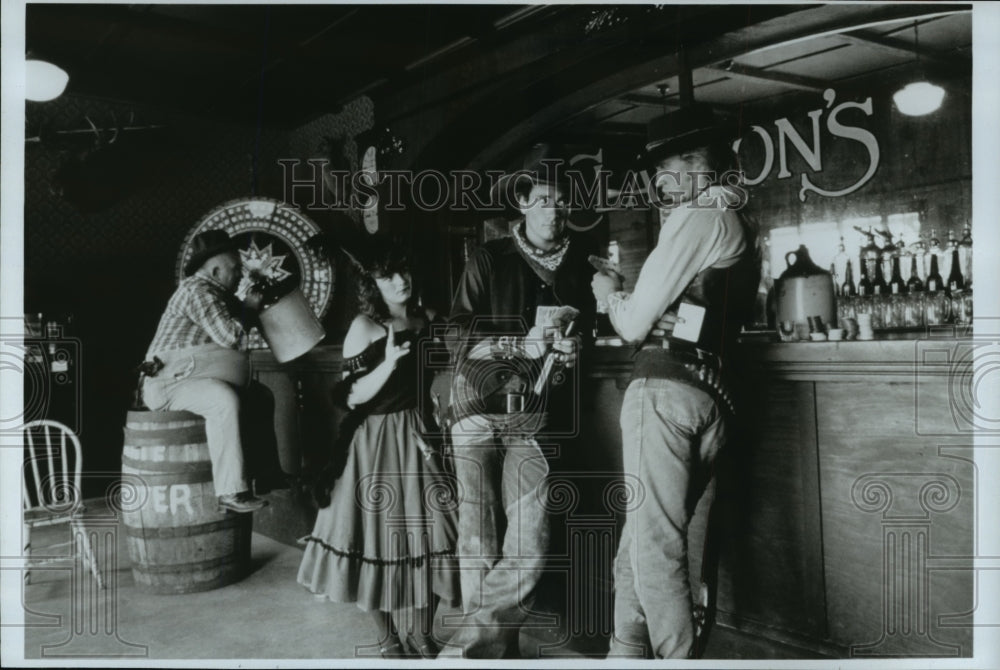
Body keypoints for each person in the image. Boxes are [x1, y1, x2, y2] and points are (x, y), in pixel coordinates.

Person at [591, 110, 760, 659]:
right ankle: (625, 657)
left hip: (665, 392)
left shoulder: (696, 214)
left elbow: (635, 323)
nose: (658, 180)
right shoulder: (736, 219)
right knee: (635, 549)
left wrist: (608, 293)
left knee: (655, 549)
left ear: (699, 167)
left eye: (665, 167)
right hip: (712, 393)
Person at [440, 143, 597, 658]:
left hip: (534, 417)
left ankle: (471, 645)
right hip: (476, 411)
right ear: (524, 202)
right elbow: (457, 336)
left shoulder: (580, 266)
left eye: (563, 201)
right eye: (547, 198)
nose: (557, 210)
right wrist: (517, 343)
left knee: (530, 544)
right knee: (478, 540)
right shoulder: (490, 256)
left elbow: (586, 332)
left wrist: (573, 350)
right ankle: (492, 652)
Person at [297, 243, 459, 659]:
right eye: (388, 276)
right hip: (375, 441)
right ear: (373, 282)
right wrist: (387, 364)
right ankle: (388, 640)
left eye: (403, 271)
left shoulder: (427, 318)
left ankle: (422, 634)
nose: (400, 281)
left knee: (437, 531)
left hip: (421, 434)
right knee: (376, 539)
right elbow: (351, 397)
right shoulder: (364, 326)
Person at [141, 229, 272, 514]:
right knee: (223, 401)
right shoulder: (197, 291)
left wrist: (254, 300)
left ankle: (265, 475)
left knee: (261, 396)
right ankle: (231, 492)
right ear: (215, 270)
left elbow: (246, 319)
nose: (240, 275)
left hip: (189, 376)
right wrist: (249, 307)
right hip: (168, 383)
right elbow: (232, 337)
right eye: (235, 269)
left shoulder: (219, 294)